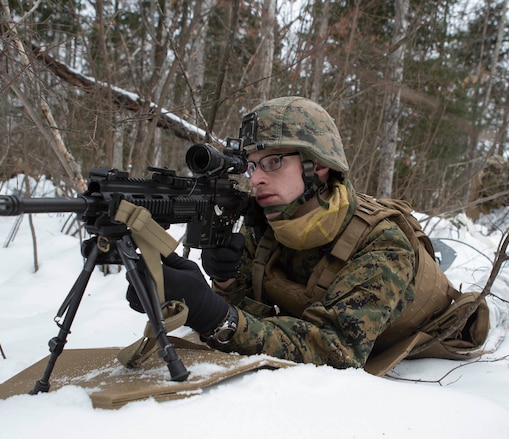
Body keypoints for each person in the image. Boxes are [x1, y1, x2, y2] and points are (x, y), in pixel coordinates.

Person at [127, 96, 460, 372]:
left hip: (433, 349)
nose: (255, 179)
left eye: (273, 162)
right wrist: (222, 286)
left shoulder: (382, 244)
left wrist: (215, 316)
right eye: (252, 166)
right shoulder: (269, 224)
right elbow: (256, 321)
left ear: (318, 165)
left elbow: (336, 351)